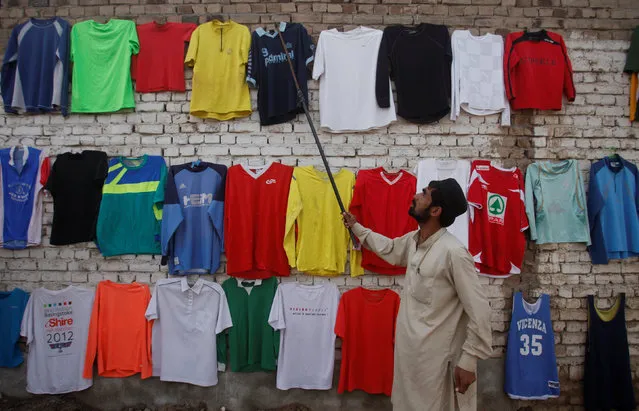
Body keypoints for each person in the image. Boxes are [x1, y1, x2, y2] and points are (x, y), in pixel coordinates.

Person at [342, 178, 493, 411]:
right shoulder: (415, 240)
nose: (415, 196)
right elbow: (390, 249)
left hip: (438, 361)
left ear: (435, 210)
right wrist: (356, 227)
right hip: (410, 356)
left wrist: (469, 360)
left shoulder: (454, 253)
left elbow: (479, 309)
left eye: (424, 194)